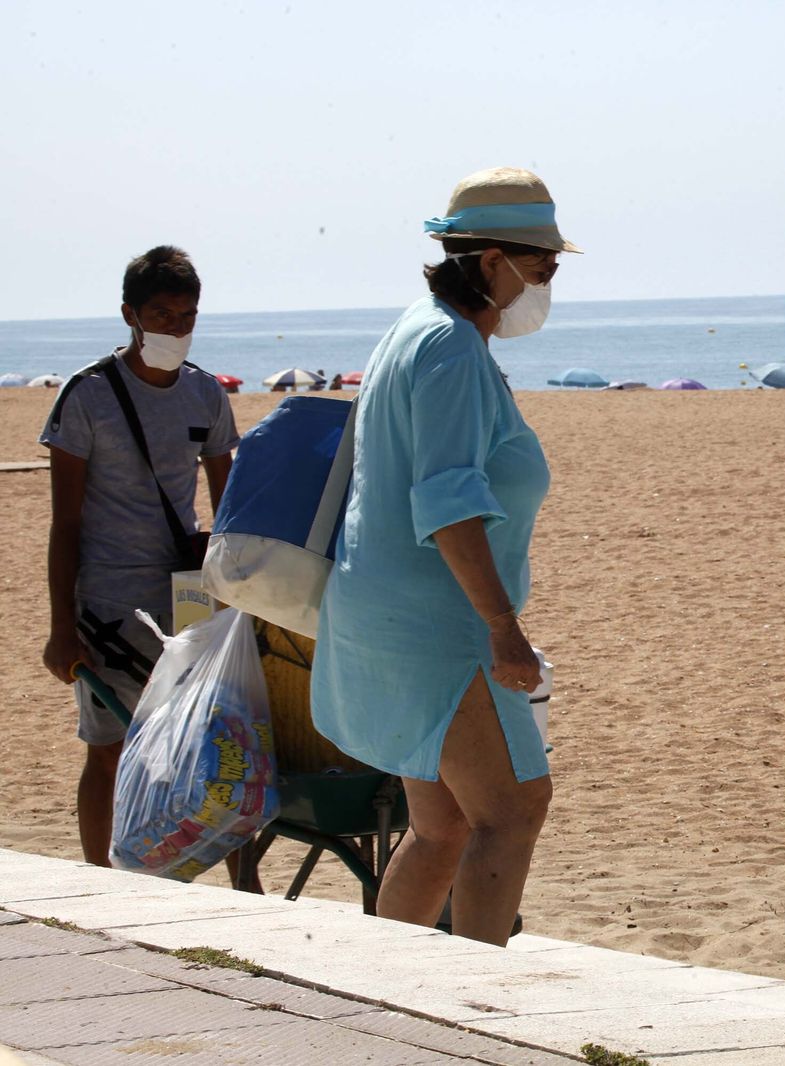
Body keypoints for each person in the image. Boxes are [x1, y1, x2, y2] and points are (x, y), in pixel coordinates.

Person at [310, 167, 577, 946]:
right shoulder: (452, 349)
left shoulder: (413, 328)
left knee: (443, 826)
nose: (547, 283)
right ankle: (472, 1009)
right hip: (440, 627)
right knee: (516, 808)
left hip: (382, 611)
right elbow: (449, 503)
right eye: (541, 266)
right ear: (491, 261)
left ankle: (381, 987)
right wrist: (502, 627)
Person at [39, 246, 247, 879]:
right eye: (162, 314)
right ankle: (100, 883)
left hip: (186, 600)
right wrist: (60, 627)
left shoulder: (206, 394)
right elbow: (65, 522)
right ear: (130, 314)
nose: (176, 329)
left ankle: (246, 885)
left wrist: (234, 600)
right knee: (108, 750)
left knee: (218, 747)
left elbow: (229, 507)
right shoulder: (88, 396)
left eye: (187, 316)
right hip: (105, 605)